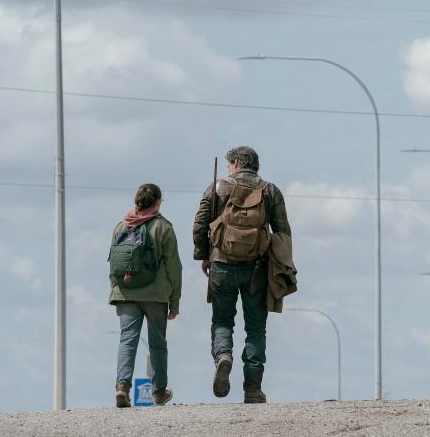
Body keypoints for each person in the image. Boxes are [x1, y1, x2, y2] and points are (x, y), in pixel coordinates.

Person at [192, 146, 295, 404]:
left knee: (223, 321)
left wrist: (204, 254)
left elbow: (199, 223)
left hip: (221, 265)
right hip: (257, 269)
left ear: (236, 163)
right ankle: (252, 389)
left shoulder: (217, 187)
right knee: (256, 329)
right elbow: (283, 232)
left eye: (230, 164)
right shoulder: (270, 191)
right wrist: (281, 268)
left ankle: (223, 355)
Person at [108, 183, 182, 408]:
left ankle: (122, 386)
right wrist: (175, 301)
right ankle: (159, 392)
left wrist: (116, 290)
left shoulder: (121, 226)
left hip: (126, 292)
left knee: (127, 340)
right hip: (155, 293)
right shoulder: (163, 227)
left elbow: (113, 263)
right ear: (157, 202)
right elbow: (174, 267)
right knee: (157, 343)